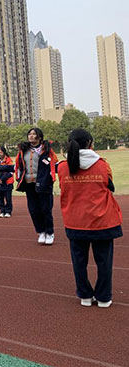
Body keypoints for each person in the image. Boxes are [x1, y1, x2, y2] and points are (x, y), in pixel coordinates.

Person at [57, 129, 123, 308]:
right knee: (104, 262)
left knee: (79, 262)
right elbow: (110, 186)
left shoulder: (62, 167)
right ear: (90, 143)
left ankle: (85, 296)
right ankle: (104, 297)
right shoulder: (102, 165)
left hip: (75, 221)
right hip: (102, 221)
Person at [15, 127, 58, 245]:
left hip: (44, 184)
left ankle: (49, 232)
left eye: (34, 134)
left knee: (46, 209)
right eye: (29, 134)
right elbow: (18, 165)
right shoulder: (23, 150)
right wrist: (18, 178)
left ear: (39, 137)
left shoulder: (47, 149)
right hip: (29, 184)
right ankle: (41, 231)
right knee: (33, 210)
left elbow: (55, 163)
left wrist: (50, 178)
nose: (31, 136)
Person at [0, 146, 14, 218]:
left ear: (4, 153)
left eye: (0, 152)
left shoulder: (9, 160)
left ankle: (8, 211)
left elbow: (11, 172)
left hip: (7, 182)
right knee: (0, 198)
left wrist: (2, 179)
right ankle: (2, 211)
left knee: (8, 198)